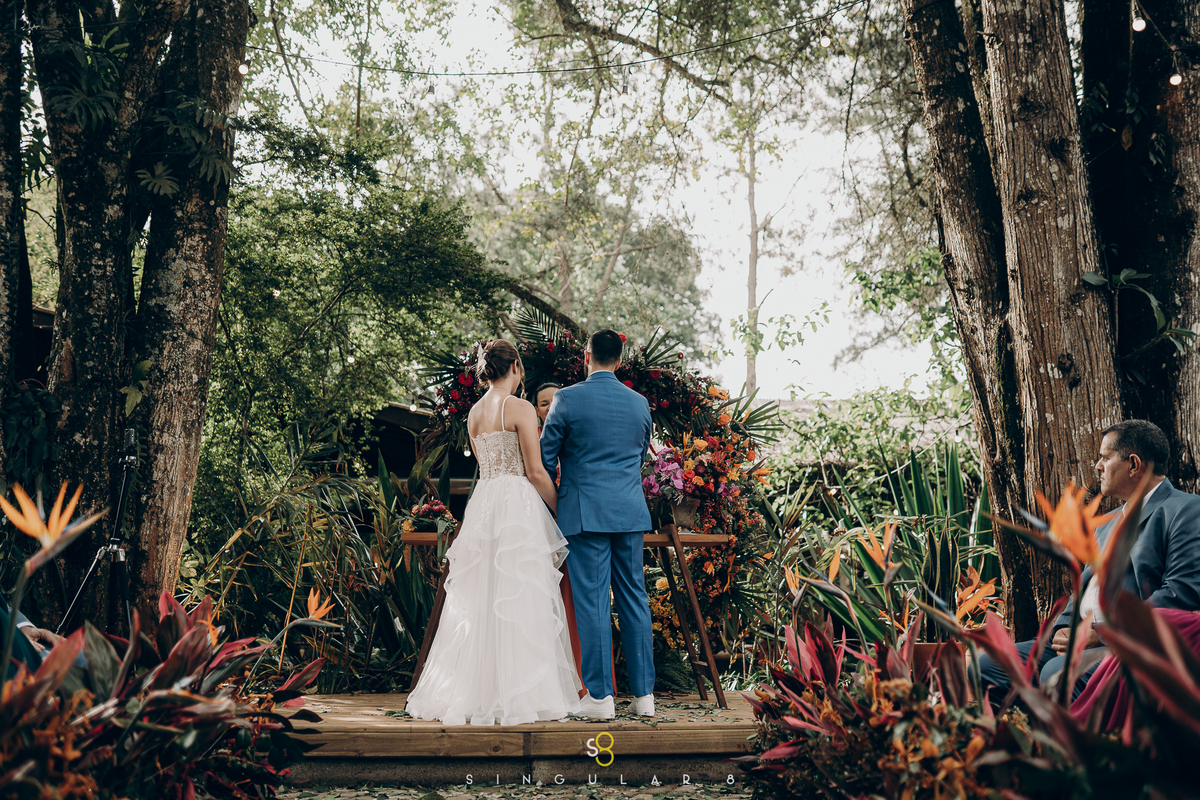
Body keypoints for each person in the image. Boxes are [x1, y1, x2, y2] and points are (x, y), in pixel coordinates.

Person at [404, 340, 582, 726]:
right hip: (516, 504)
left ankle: (478, 692)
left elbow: (486, 467)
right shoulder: (519, 407)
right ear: (516, 366)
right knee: (520, 594)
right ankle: (522, 695)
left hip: (484, 504)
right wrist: (562, 513)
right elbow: (535, 472)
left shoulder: (472, 413)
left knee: (483, 596)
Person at [977, 419, 1200, 703]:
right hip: (1081, 640)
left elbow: (1180, 594)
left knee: (1057, 673)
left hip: (1129, 645)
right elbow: (1084, 588)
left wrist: (1102, 633)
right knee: (986, 666)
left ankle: (1077, 744)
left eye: (1105, 458)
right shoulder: (1105, 524)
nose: (1097, 465)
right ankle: (1030, 738)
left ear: (1134, 465)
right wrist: (1065, 628)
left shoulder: (1186, 510)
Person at [540, 329, 656, 720]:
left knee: (592, 601)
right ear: (620, 361)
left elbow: (545, 455)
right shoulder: (640, 404)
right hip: (629, 511)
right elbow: (640, 454)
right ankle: (644, 698)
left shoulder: (566, 398)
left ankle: (601, 698)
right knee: (634, 599)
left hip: (584, 512)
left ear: (585, 356)